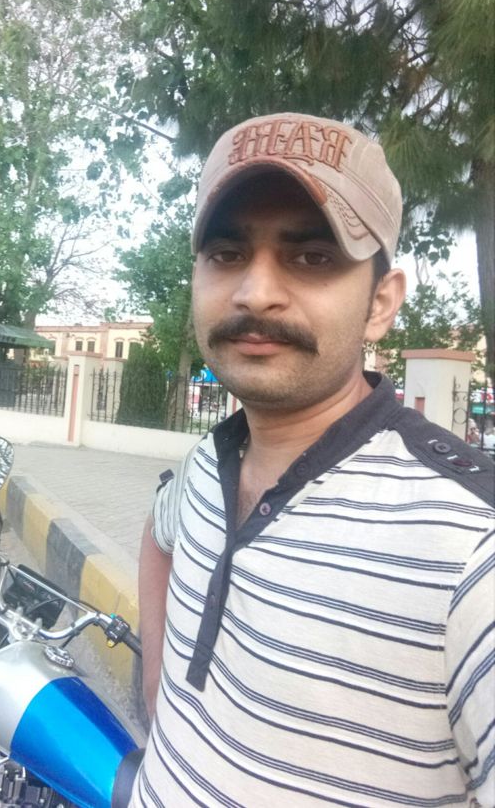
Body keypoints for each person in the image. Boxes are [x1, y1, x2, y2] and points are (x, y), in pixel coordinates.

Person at [132, 112, 495, 806]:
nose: (255, 292)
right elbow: (160, 534)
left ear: (381, 303)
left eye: (312, 257)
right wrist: (161, 706)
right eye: (226, 253)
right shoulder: (207, 463)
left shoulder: (471, 548)